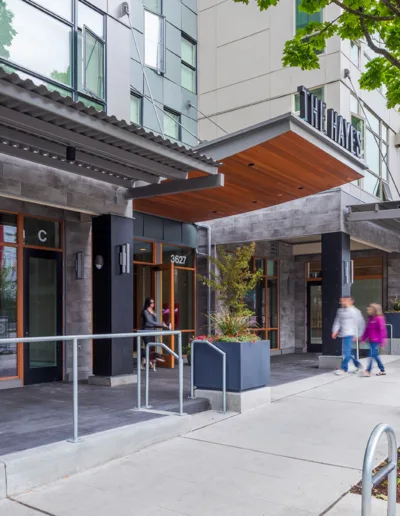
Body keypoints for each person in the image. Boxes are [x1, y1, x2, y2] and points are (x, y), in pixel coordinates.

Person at [332, 296, 365, 376]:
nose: (342, 302)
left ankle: (344, 369)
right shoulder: (340, 311)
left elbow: (361, 324)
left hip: (351, 334)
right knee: (348, 352)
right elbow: (337, 321)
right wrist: (334, 330)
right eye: (341, 301)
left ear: (350, 301)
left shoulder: (355, 311)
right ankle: (358, 365)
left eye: (344, 301)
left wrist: (359, 335)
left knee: (346, 352)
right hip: (343, 334)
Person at [140, 298, 170, 371]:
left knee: (150, 347)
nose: (153, 304)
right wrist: (161, 324)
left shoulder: (152, 311)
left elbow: (155, 321)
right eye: (151, 302)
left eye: (153, 302)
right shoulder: (145, 311)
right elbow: (150, 322)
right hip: (146, 331)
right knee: (148, 346)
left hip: (152, 331)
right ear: (148, 303)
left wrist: (155, 315)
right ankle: (143, 357)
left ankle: (144, 360)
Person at [360, 303, 387, 377]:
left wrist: (382, 341)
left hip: (376, 340)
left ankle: (368, 371)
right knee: (375, 355)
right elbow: (367, 330)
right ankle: (382, 370)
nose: (368, 309)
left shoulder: (379, 318)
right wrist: (363, 339)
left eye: (370, 308)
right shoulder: (370, 318)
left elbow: (382, 330)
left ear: (374, 310)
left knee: (371, 355)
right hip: (371, 340)